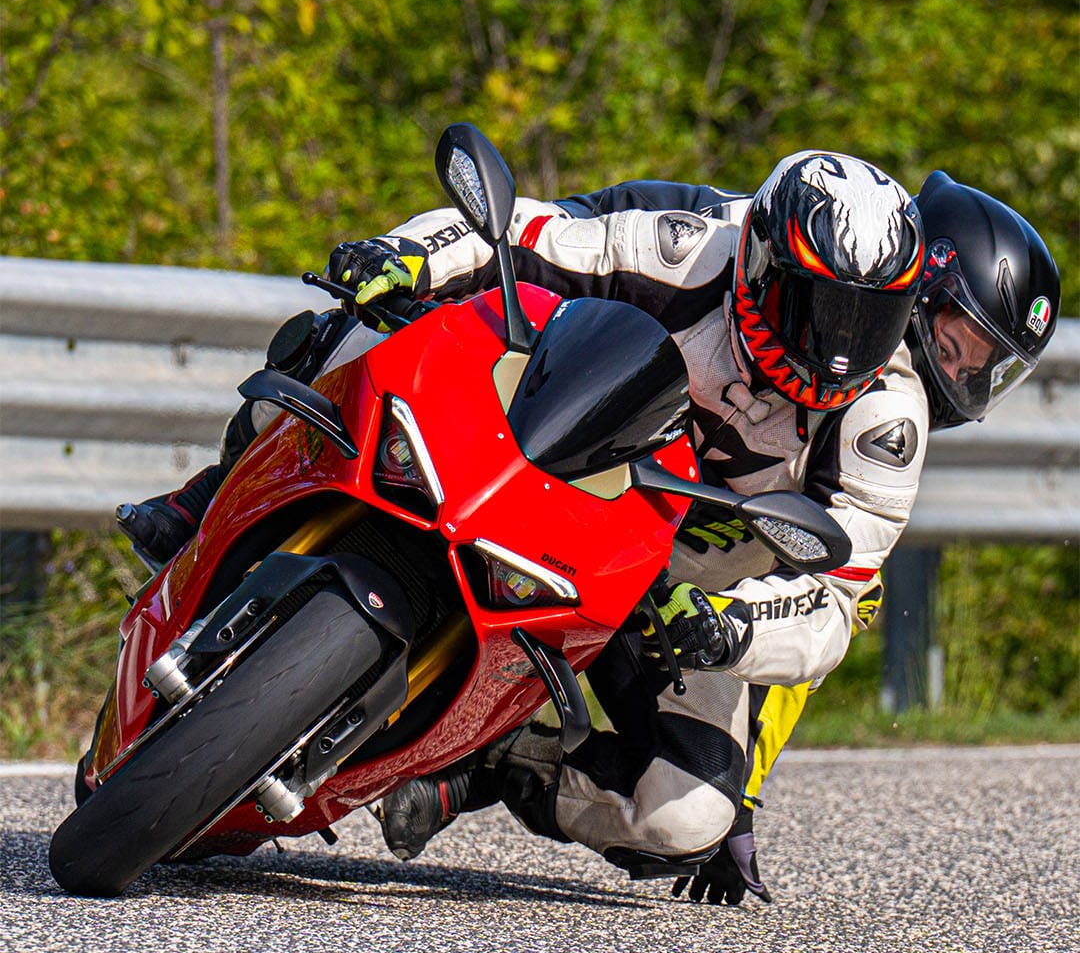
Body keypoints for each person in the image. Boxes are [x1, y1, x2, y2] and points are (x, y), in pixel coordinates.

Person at [115, 159, 1059, 904]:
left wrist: (732, 630)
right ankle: (214, 495)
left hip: (677, 582)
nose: (841, 343)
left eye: (874, 318)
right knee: (365, 319)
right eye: (822, 308)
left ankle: (493, 762)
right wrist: (404, 258)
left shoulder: (887, 418)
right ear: (764, 259)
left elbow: (838, 599)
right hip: (553, 429)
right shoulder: (694, 245)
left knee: (685, 814)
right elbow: (524, 234)